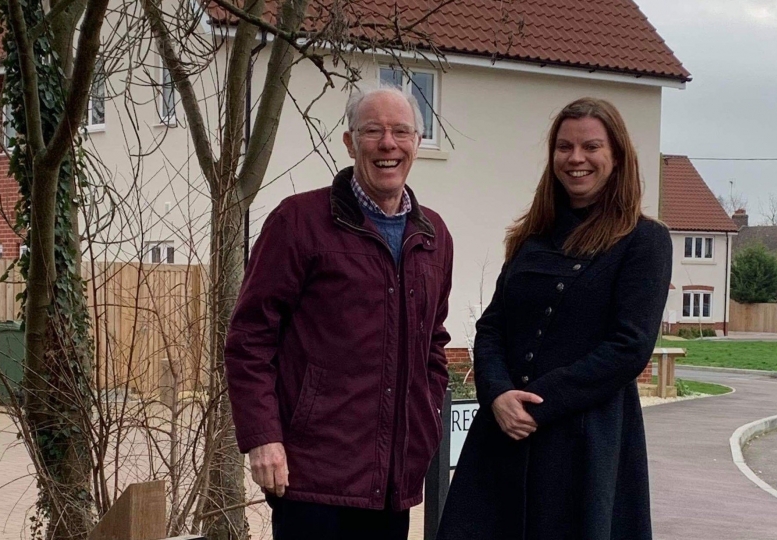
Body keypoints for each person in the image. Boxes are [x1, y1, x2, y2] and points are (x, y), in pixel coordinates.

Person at [224, 85, 453, 540]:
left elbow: (433, 345)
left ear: (416, 144)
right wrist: (262, 437)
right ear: (350, 143)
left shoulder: (433, 236)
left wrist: (424, 426)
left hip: (392, 483)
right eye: (373, 131)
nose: (388, 144)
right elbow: (250, 337)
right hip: (313, 479)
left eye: (401, 132)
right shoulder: (299, 222)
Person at [437, 97, 671, 540]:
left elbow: (629, 347)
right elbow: (492, 328)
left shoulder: (644, 241)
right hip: (503, 436)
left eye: (591, 146)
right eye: (564, 147)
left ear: (616, 156)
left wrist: (534, 402)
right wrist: (499, 394)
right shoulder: (531, 237)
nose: (576, 158)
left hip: (584, 444)